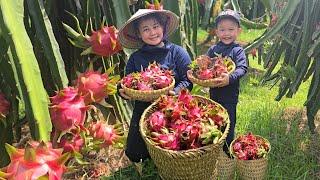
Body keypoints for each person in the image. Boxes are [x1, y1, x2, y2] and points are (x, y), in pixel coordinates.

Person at [117, 9, 193, 163]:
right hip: (143, 109)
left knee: (175, 153)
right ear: (139, 34)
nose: (152, 32)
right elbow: (127, 81)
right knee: (134, 153)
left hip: (173, 108)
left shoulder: (178, 52)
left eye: (156, 26)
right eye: (146, 29)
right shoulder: (135, 58)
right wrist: (121, 90)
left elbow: (188, 80)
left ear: (163, 27)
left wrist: (176, 91)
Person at [206, 9, 248, 156]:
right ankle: (215, 147)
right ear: (216, 32)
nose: (227, 33)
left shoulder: (238, 51)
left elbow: (243, 68)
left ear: (238, 31)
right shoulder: (213, 49)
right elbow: (206, 66)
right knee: (214, 120)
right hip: (214, 94)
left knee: (228, 122)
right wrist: (200, 68)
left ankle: (228, 151)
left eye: (231, 29)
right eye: (222, 30)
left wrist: (229, 78)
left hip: (229, 95)